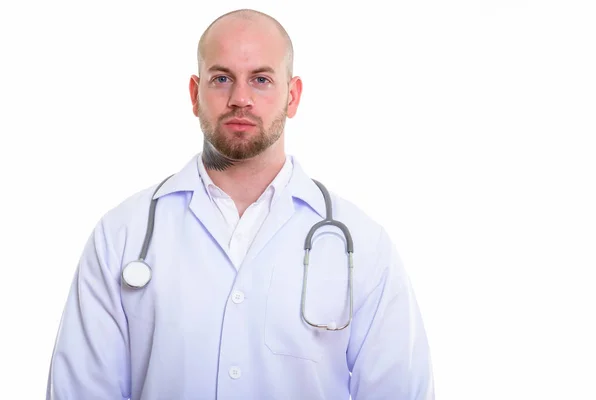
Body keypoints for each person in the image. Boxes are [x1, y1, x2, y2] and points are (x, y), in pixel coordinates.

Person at [46, 8, 435, 400]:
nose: (240, 99)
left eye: (261, 79)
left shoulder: (363, 244)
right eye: (221, 79)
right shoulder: (121, 235)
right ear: (195, 95)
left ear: (293, 95)